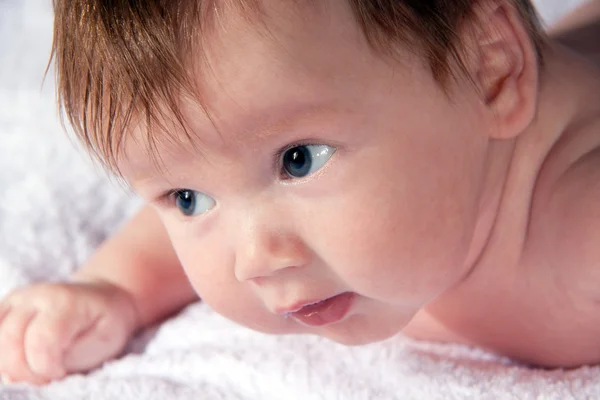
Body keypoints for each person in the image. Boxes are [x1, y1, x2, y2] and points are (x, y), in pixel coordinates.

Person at [1, 0, 599, 385]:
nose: (254, 259)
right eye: (188, 198)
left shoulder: (578, 240)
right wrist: (111, 288)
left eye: (298, 160)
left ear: (488, 73)